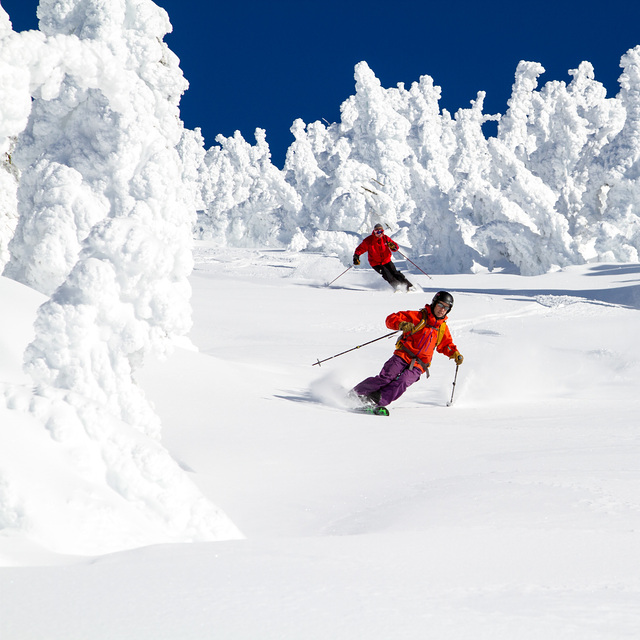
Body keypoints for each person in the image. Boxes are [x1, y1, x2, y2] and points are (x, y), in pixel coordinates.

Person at [351, 291, 463, 408]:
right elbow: (391, 319)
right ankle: (356, 393)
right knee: (386, 378)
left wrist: (455, 353)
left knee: (403, 382)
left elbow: (446, 345)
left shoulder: (442, 328)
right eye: (440, 305)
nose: (442, 309)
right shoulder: (418, 317)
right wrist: (401, 324)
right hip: (403, 355)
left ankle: (376, 401)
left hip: (420, 364)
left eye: (446, 307)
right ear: (434, 303)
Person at [353, 223, 414, 291]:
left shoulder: (385, 238)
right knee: (386, 274)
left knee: (395, 273)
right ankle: (397, 287)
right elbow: (360, 249)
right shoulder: (369, 240)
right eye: (377, 232)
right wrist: (356, 256)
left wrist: (393, 246)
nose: (379, 233)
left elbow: (395, 247)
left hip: (386, 260)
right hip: (375, 263)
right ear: (374, 232)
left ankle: (409, 286)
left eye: (381, 231)